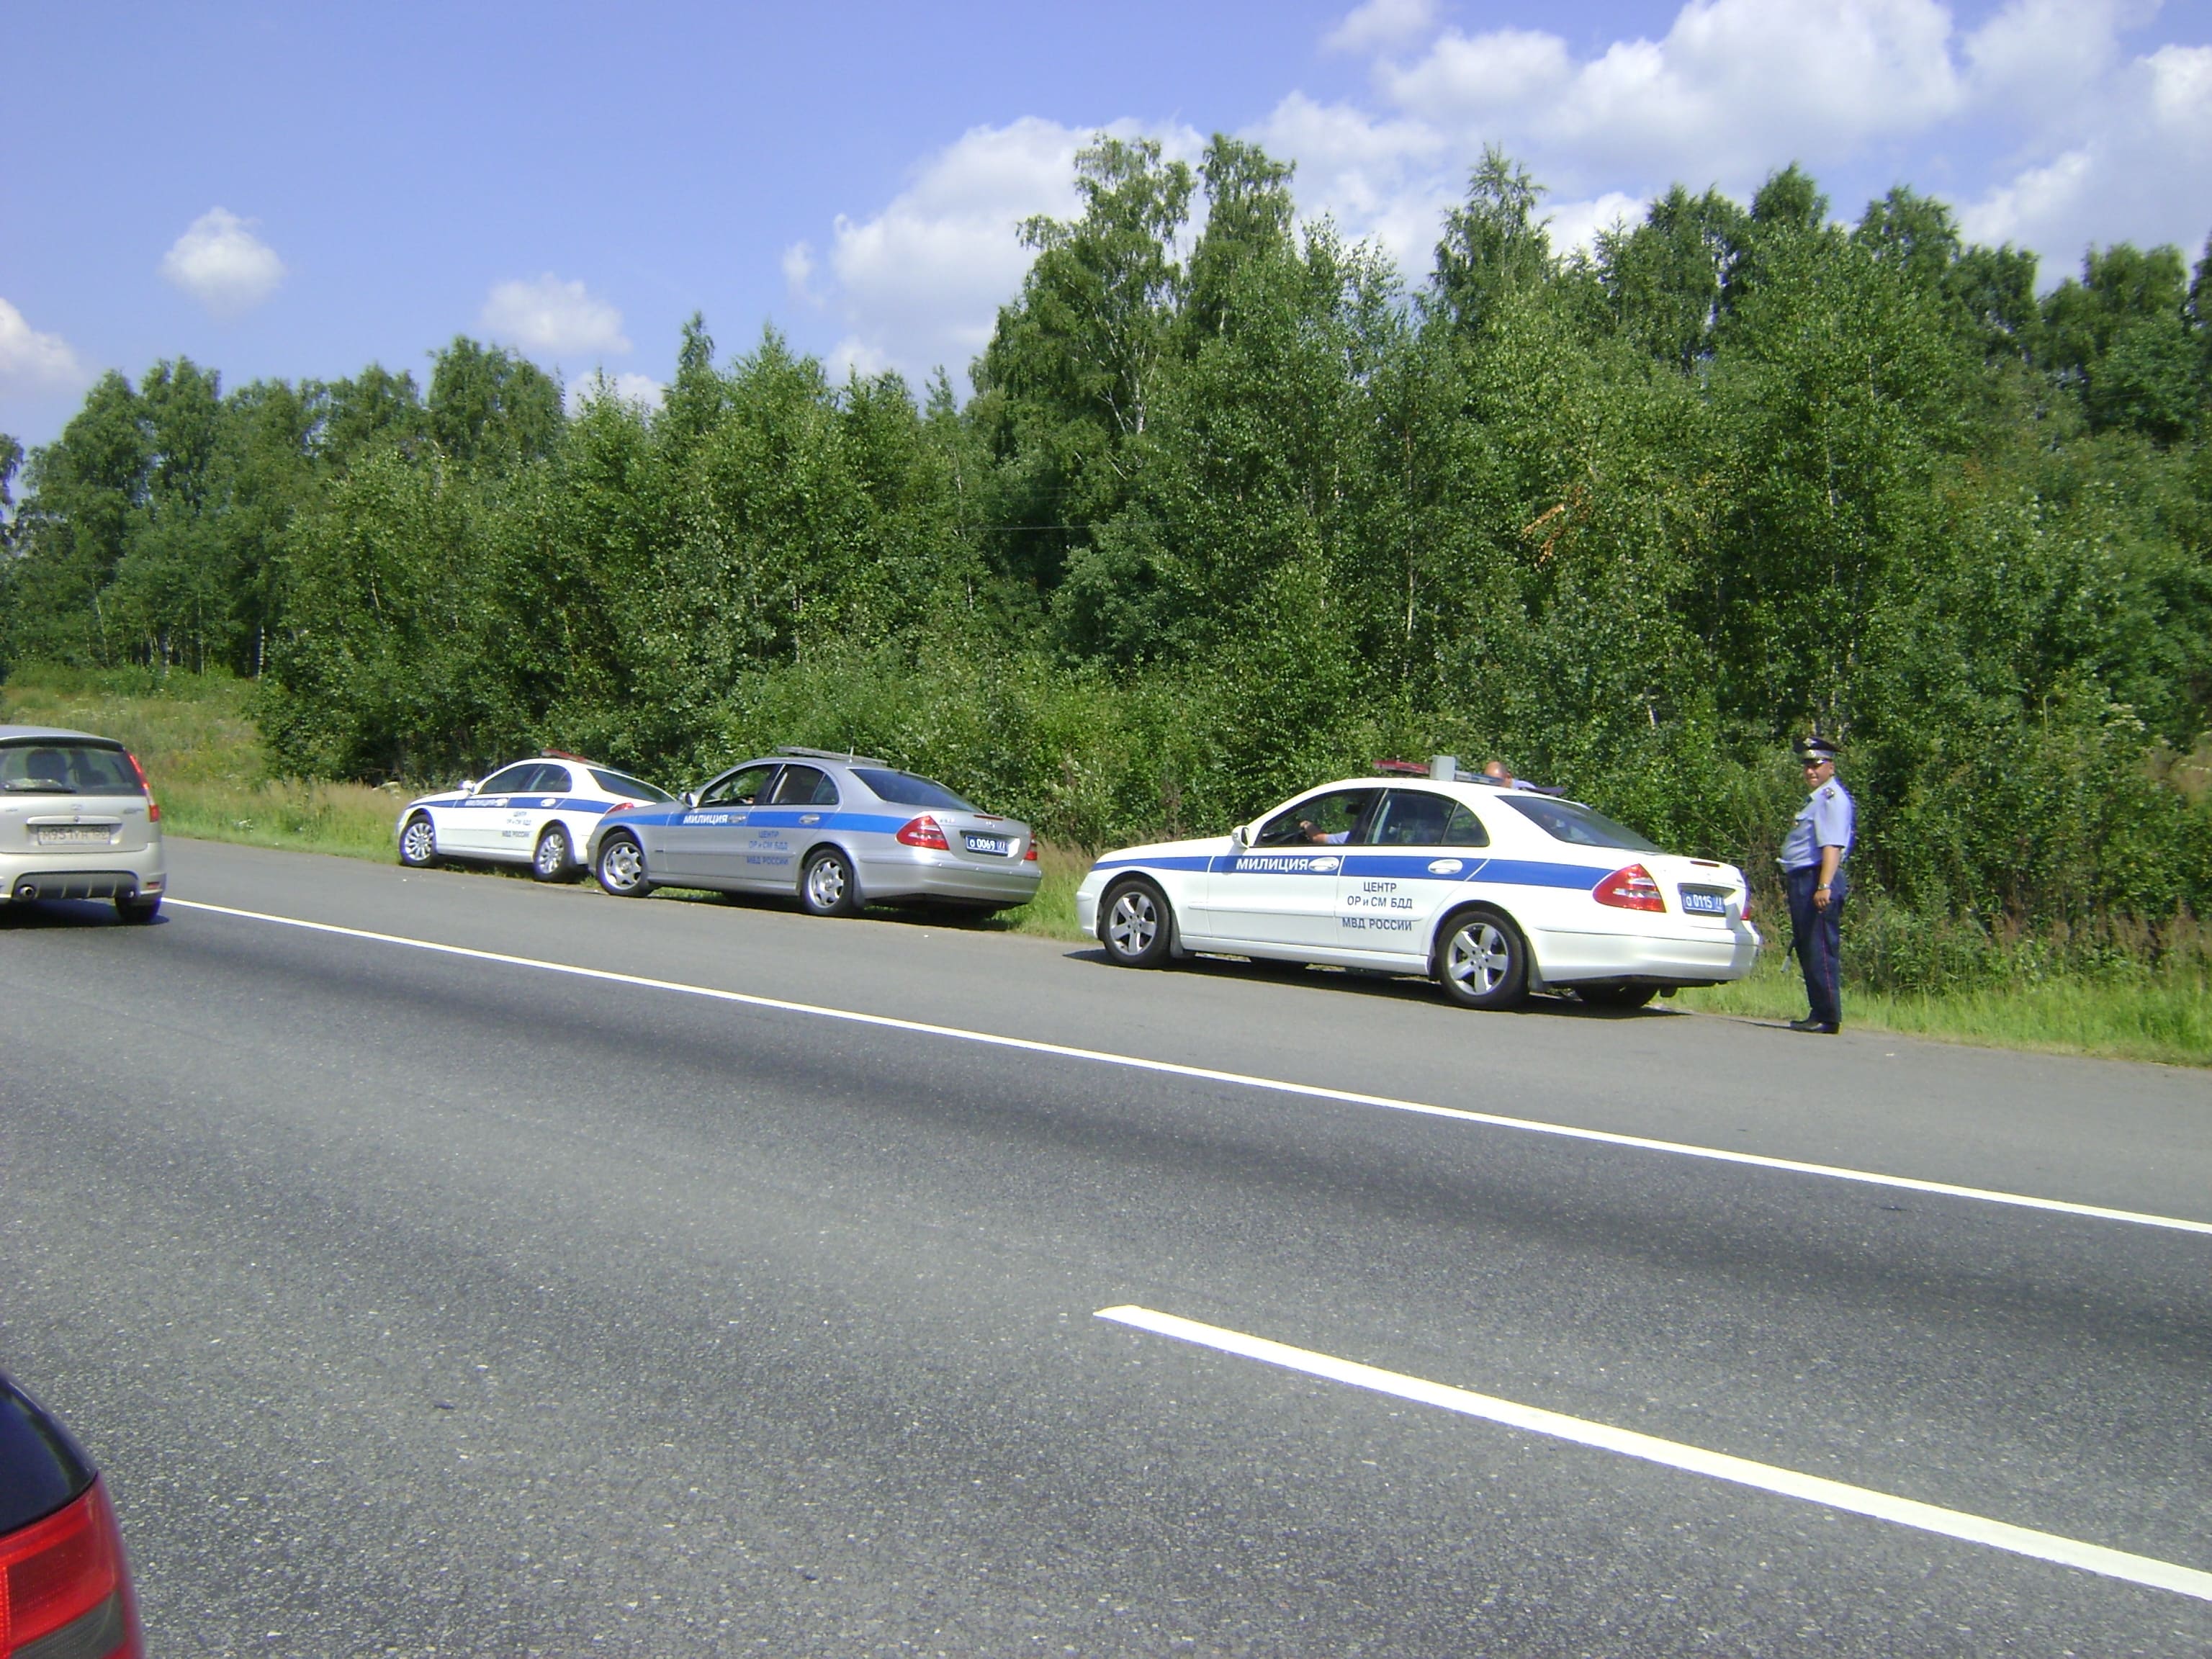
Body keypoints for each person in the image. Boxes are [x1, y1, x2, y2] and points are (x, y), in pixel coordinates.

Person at [1781, 734, 1854, 1034]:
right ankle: (1818, 1011)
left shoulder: (1831, 799)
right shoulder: (1817, 800)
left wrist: (1823, 886)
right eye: (1807, 766)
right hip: (1805, 878)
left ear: (1831, 767)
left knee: (1820, 947)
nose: (1811, 771)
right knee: (1809, 948)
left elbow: (1832, 847)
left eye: (1817, 764)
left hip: (1817, 878)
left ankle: (1828, 1016)